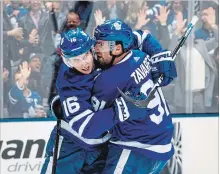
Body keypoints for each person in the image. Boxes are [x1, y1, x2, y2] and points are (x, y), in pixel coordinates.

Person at [41, 29, 151, 174]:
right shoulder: (69, 80)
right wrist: (122, 109)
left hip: (101, 148)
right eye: (76, 60)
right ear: (68, 61)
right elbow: (86, 127)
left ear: (92, 47)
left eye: (85, 55)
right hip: (70, 146)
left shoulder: (102, 53)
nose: (84, 63)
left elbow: (135, 37)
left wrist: (159, 54)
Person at [92, 19, 177, 173]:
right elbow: (142, 36)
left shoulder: (107, 81)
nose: (95, 48)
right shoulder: (140, 55)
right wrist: (159, 54)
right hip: (162, 144)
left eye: (100, 44)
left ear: (117, 49)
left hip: (134, 149)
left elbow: (93, 124)